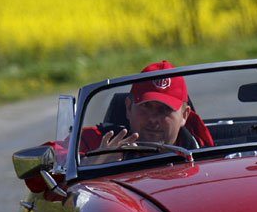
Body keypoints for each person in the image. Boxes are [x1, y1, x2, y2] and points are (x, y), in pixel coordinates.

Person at [80, 60, 213, 156]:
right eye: (146, 106)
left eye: (165, 109)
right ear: (128, 108)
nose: (153, 119)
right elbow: (62, 160)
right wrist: (94, 163)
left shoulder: (205, 156)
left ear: (184, 115)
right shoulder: (94, 140)